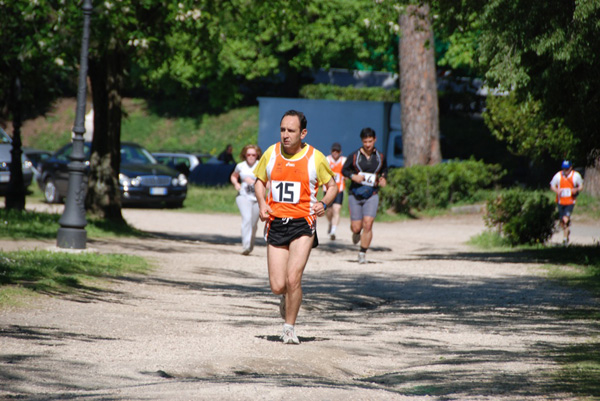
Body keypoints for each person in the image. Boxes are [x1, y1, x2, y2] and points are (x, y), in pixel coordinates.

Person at [254, 110, 338, 344]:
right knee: (277, 285)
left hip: (303, 222)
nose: (285, 135)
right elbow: (259, 182)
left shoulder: (315, 157)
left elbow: (332, 186)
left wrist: (323, 203)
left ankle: (289, 328)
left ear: (303, 133)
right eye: (282, 129)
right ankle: (286, 298)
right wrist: (262, 204)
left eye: (291, 130)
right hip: (276, 222)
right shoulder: (271, 153)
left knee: (293, 278)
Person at [342, 127, 388, 264]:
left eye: (370, 141)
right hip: (355, 194)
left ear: (375, 140)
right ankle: (356, 233)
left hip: (372, 194)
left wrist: (383, 178)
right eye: (365, 141)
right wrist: (353, 176)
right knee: (357, 227)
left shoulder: (380, 157)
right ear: (362, 141)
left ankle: (362, 253)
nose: (368, 144)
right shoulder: (354, 156)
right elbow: (344, 170)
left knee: (368, 224)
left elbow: (385, 170)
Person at [230, 144, 262, 255]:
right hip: (243, 196)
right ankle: (245, 246)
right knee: (247, 218)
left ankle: (250, 245)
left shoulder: (261, 165)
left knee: (253, 223)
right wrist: (236, 183)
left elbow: (268, 183)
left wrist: (254, 183)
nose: (251, 157)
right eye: (248, 154)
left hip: (258, 198)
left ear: (257, 155)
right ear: (245, 155)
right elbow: (233, 176)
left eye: (253, 154)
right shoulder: (240, 166)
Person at [550, 160, 583, 246]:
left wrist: (576, 190)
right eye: (564, 169)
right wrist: (557, 190)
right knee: (562, 221)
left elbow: (581, 186)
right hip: (560, 201)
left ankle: (565, 240)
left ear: (571, 168)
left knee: (565, 219)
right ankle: (567, 232)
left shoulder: (576, 176)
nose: (565, 170)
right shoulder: (558, 175)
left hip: (570, 201)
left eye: (567, 169)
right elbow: (552, 185)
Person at [324, 142, 347, 240]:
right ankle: (330, 222)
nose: (335, 153)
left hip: (339, 189)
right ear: (331, 151)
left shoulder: (344, 161)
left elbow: (347, 171)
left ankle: (333, 231)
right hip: (328, 189)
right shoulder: (327, 159)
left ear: (340, 152)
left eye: (337, 151)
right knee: (329, 211)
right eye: (334, 151)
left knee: (336, 209)